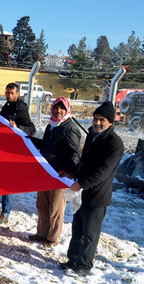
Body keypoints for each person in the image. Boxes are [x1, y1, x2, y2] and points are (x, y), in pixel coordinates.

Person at [61, 101, 124, 276]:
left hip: (97, 196)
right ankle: (72, 260)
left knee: (90, 234)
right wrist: (73, 172)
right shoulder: (92, 135)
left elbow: (103, 172)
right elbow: (84, 161)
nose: (97, 123)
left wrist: (81, 183)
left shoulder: (114, 144)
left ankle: (84, 265)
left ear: (110, 122)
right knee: (78, 230)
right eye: (95, 118)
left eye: (101, 119)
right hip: (82, 194)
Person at [28, 97, 81, 247]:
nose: (58, 111)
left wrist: (64, 171)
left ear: (66, 110)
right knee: (42, 205)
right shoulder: (51, 126)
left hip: (59, 175)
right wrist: (28, 139)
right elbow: (46, 146)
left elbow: (74, 155)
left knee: (55, 209)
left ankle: (52, 239)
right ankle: (41, 233)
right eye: (56, 108)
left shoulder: (70, 128)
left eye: (61, 109)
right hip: (46, 173)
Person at [0, 83, 36, 224]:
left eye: (12, 93)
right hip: (0, 148)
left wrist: (17, 127)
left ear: (17, 94)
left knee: (7, 182)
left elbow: (32, 129)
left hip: (12, 151)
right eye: (7, 93)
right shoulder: (6, 106)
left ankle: (5, 213)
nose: (9, 95)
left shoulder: (21, 108)